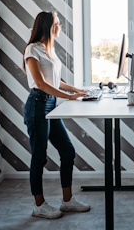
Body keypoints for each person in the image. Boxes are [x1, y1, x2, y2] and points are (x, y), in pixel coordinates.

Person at [22, 11, 90, 219]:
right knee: (39, 156)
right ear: (49, 26)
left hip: (50, 104)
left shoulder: (49, 50)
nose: (61, 26)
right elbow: (41, 84)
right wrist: (69, 97)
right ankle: (39, 205)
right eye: (58, 23)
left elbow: (55, 81)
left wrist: (75, 90)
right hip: (37, 105)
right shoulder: (32, 50)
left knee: (67, 151)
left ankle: (67, 201)